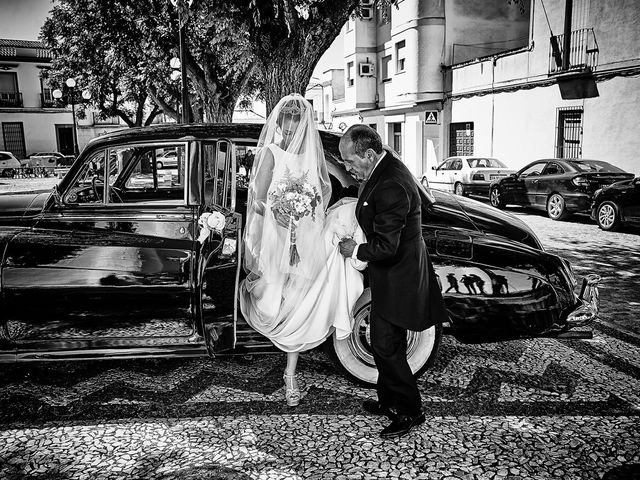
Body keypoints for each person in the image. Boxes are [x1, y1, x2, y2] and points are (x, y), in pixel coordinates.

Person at [239, 94, 366, 407]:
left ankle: (290, 374)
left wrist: (309, 212)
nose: (292, 130)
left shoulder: (313, 157)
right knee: (278, 302)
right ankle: (287, 370)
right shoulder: (270, 152)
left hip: (304, 237)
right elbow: (257, 197)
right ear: (280, 125)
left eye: (298, 124)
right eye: (288, 123)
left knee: (298, 301)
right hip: (276, 237)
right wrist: (277, 212)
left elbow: (321, 192)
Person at [338, 125, 447, 440]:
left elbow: (387, 246)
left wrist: (354, 249)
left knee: (387, 344)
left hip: (401, 277)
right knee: (384, 341)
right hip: (390, 274)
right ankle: (389, 401)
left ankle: (411, 410)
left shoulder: (392, 184)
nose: (346, 167)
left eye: (349, 161)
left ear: (369, 154)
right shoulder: (382, 168)